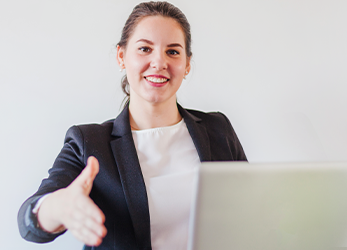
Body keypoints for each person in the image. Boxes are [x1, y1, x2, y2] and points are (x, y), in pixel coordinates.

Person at [16, 2, 247, 249]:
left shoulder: (218, 129)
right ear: (121, 56)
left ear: (187, 63)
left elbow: (252, 210)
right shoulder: (88, 142)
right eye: (145, 49)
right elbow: (29, 223)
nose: (159, 62)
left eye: (173, 51)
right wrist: (58, 207)